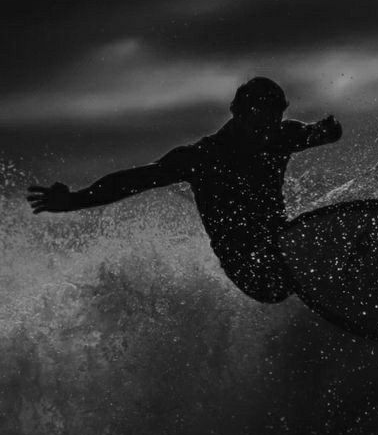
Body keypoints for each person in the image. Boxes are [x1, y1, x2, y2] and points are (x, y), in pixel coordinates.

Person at [27, 77, 342, 303]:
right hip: (244, 261)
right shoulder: (201, 158)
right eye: (262, 119)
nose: (268, 128)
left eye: (276, 117)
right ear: (239, 113)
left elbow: (313, 134)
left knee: (321, 245)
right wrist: (75, 200)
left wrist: (327, 132)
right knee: (282, 283)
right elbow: (133, 180)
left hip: (281, 241)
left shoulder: (279, 136)